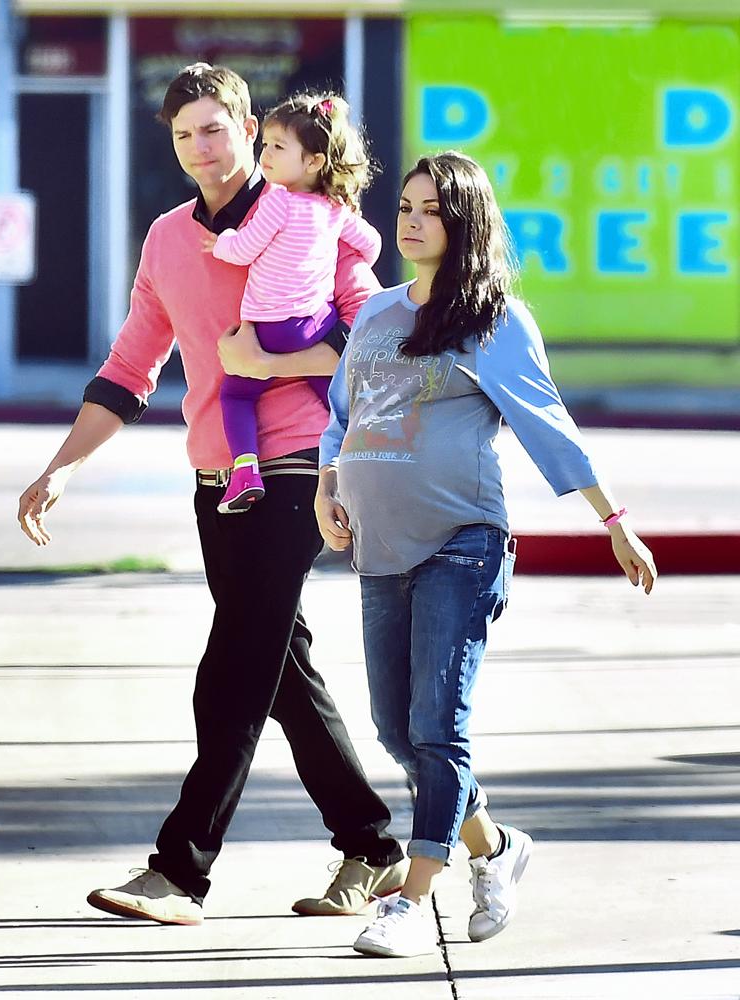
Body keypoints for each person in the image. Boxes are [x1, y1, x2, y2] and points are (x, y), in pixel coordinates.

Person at [17, 62, 407, 925]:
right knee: (280, 668)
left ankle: (179, 870)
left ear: (247, 126)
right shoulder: (166, 240)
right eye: (185, 133)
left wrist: (270, 364)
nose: (203, 148)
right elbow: (131, 367)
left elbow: (373, 340)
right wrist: (64, 466)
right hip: (217, 473)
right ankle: (373, 846)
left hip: (303, 465)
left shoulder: (314, 220)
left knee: (233, 663)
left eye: (217, 128)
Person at [315, 151, 657, 958]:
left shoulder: (494, 318)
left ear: (463, 221)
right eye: (405, 205)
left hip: (463, 543)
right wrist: (326, 486)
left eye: (430, 209)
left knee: (440, 724)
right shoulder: (376, 314)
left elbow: (549, 424)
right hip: (380, 546)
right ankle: (497, 849)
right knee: (396, 729)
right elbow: (343, 414)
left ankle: (411, 901)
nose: (409, 220)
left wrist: (614, 519)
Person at [202, 91, 382, 514]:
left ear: (314, 161)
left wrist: (221, 242)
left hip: (271, 327)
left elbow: (245, 249)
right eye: (264, 145)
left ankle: (245, 472)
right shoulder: (334, 208)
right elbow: (371, 246)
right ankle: (363, 461)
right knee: (334, 396)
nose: (265, 155)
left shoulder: (276, 199)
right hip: (316, 323)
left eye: (278, 147)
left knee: (237, 395)